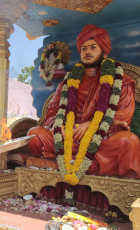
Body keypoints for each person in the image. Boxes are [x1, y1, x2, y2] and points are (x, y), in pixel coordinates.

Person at [27, 24, 140, 182]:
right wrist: (60, 126)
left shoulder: (121, 81)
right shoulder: (67, 83)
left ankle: (68, 159)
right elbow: (52, 113)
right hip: (68, 137)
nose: (87, 52)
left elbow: (123, 116)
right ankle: (68, 156)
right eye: (84, 49)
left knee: (130, 141)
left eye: (93, 47)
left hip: (101, 140)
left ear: (104, 52)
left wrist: (92, 126)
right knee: (34, 134)